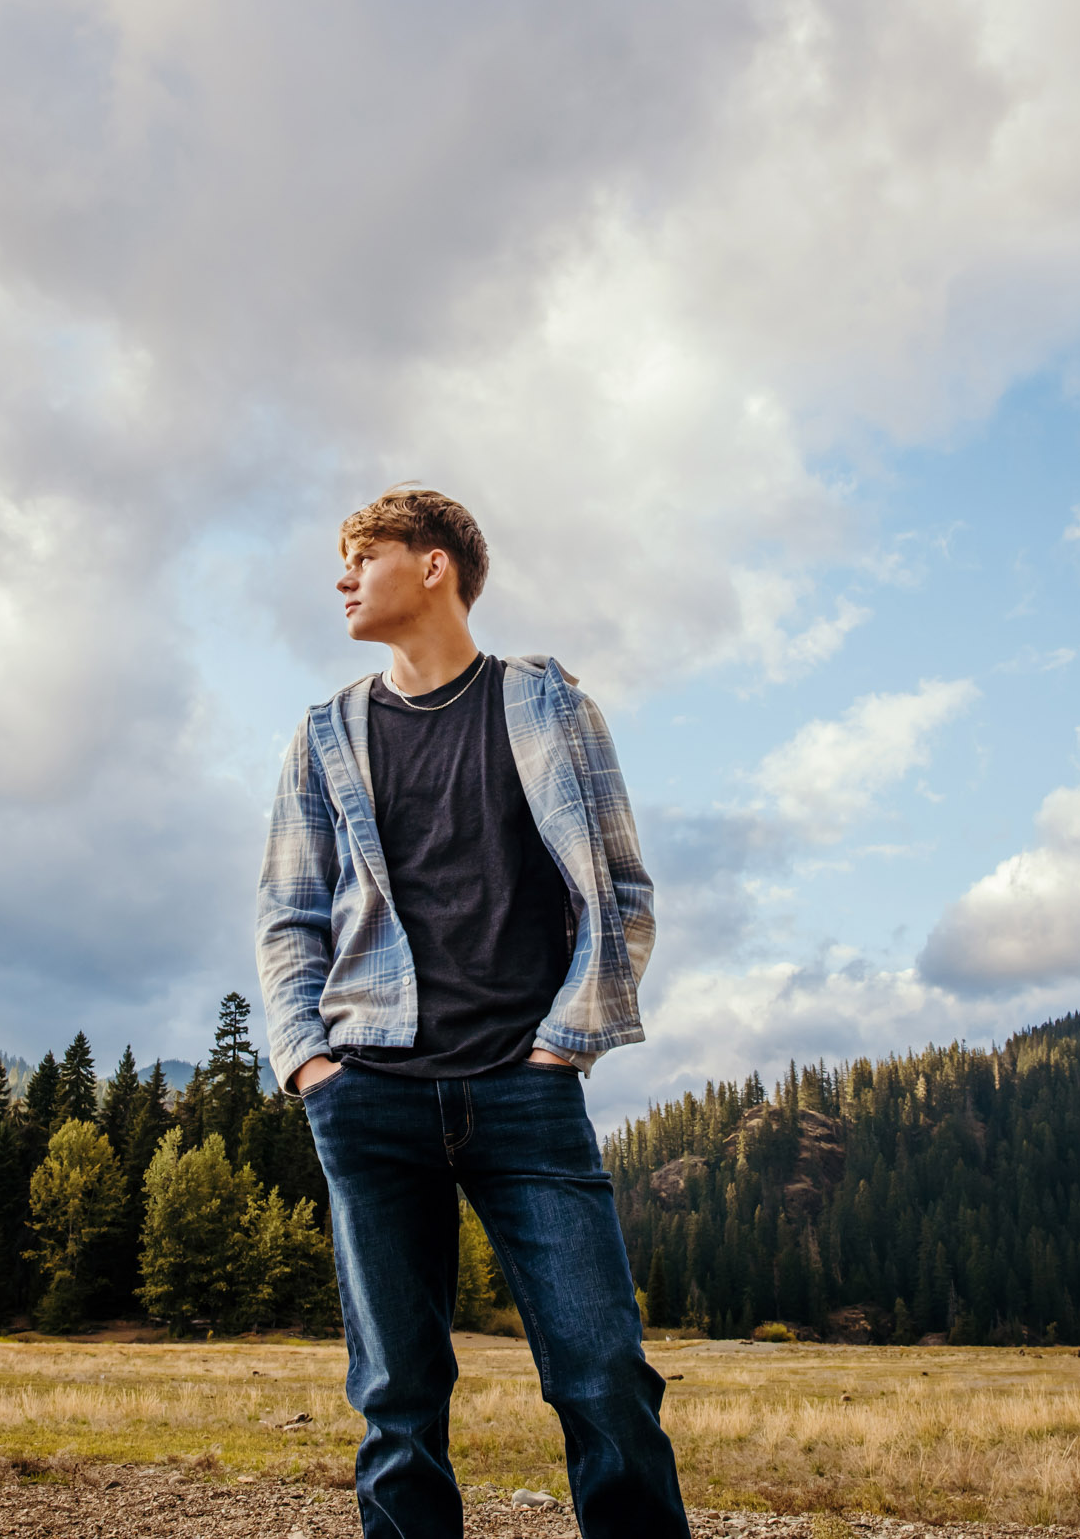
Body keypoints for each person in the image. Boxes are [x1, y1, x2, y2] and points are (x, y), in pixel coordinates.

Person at [255, 486, 688, 1539]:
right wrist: (310, 1063)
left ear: (434, 564)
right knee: (397, 1398)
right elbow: (288, 912)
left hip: (524, 1092)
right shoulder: (327, 735)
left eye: (361, 554)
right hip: (370, 1095)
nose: (343, 578)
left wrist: (563, 1043)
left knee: (603, 1378)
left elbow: (620, 894)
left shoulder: (547, 708)